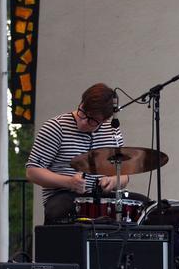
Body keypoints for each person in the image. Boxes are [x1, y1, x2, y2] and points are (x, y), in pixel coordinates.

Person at [26, 83, 130, 224]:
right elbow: (32, 172)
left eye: (92, 120)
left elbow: (124, 175)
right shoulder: (55, 128)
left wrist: (113, 181)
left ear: (105, 120)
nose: (83, 121)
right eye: (82, 112)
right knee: (60, 209)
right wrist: (69, 182)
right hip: (65, 196)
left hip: (102, 198)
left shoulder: (112, 131)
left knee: (148, 208)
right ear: (81, 103)